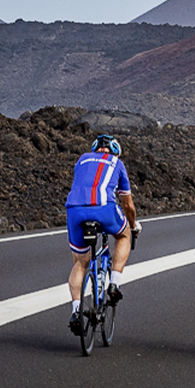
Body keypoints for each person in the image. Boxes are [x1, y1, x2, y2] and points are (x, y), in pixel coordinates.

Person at [65, 133, 140, 334]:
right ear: (115, 151)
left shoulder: (82, 159)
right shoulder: (117, 163)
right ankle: (114, 284)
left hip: (74, 210)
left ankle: (76, 311)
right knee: (123, 235)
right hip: (104, 208)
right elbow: (128, 205)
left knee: (80, 263)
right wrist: (133, 226)